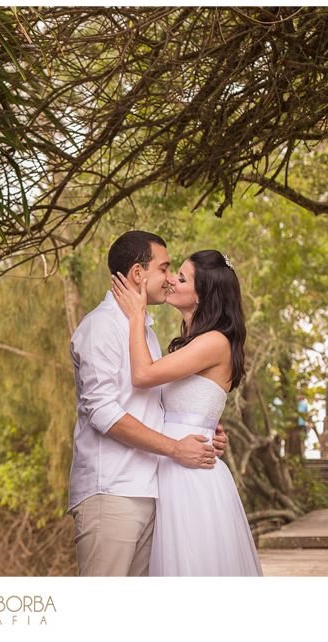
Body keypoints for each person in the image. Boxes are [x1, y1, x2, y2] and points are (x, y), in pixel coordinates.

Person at [68, 231, 229, 577]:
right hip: (112, 490)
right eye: (166, 268)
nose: (170, 279)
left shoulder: (147, 332)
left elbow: (155, 401)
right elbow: (102, 411)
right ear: (139, 274)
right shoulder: (101, 326)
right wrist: (175, 447)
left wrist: (203, 427)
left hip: (153, 489)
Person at [110, 249, 263, 576]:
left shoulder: (214, 342)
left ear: (202, 295)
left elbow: (143, 376)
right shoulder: (191, 343)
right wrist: (213, 429)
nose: (170, 281)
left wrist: (136, 316)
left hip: (191, 476)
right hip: (173, 466)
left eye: (181, 278)